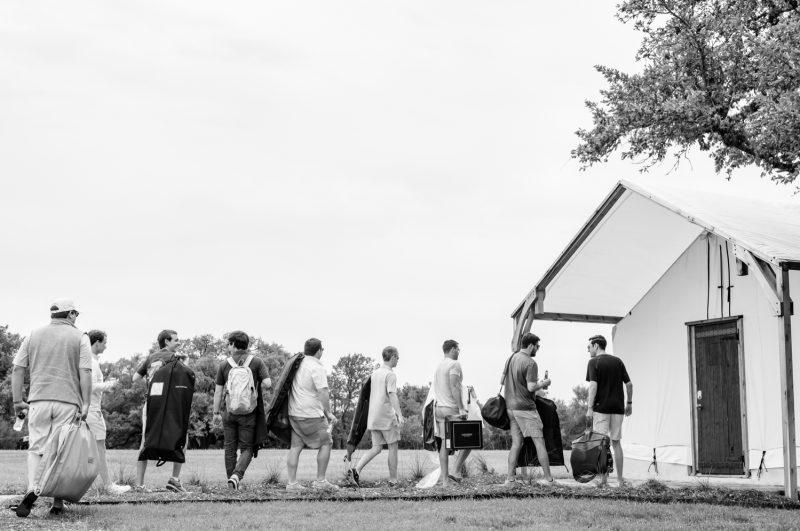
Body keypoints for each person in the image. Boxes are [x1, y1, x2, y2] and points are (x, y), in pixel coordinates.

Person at [10, 298, 93, 517]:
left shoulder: (33, 334)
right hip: (68, 401)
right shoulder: (80, 337)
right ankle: (57, 504)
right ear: (71, 315)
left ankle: (32, 488)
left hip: (39, 400)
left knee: (36, 448)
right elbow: (85, 371)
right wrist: (86, 403)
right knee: (61, 451)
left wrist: (18, 400)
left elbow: (18, 368)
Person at [212, 330, 272, 489]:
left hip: (229, 412)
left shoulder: (224, 364)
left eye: (228, 344)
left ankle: (231, 481)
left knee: (229, 447)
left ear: (232, 344)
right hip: (249, 412)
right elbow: (267, 384)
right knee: (247, 447)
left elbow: (218, 392)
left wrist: (216, 413)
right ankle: (236, 476)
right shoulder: (257, 362)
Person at [131, 329, 187, 493]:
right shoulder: (173, 358)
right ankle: (174, 480)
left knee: (145, 441)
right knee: (182, 439)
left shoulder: (151, 358)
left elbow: (135, 378)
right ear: (167, 342)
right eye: (176, 340)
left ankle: (140, 485)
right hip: (169, 406)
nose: (178, 342)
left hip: (150, 404)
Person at [285, 338, 339, 492]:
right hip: (311, 414)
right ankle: (320, 481)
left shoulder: (298, 364)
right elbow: (323, 391)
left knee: (295, 446)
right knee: (326, 443)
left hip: (294, 412)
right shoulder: (316, 367)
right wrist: (328, 412)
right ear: (319, 351)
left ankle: (292, 484)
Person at [348, 346, 404, 487]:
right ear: (392, 357)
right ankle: (393, 480)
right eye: (397, 357)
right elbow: (392, 394)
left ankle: (356, 470)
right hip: (386, 416)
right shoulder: (390, 375)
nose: (398, 360)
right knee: (393, 447)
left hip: (373, 417)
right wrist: (399, 414)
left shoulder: (375, 373)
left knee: (376, 448)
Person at [504, 332, 554, 485]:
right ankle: (549, 479)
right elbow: (531, 387)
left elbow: (502, 380)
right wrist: (544, 383)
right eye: (537, 346)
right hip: (525, 408)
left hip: (510, 407)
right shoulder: (530, 363)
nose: (537, 349)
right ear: (531, 345)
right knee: (540, 442)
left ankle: (510, 479)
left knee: (516, 443)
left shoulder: (510, 358)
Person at [585, 334, 633, 487]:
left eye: (589, 347)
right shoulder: (618, 361)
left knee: (601, 443)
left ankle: (603, 480)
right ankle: (620, 480)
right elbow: (629, 385)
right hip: (618, 408)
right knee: (616, 442)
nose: (588, 350)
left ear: (596, 346)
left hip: (601, 408)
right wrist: (629, 403)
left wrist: (590, 408)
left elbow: (593, 386)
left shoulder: (593, 362)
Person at [86, 330, 131, 495]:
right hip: (92, 411)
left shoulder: (90, 361)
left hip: (91, 410)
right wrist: (110, 384)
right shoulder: (91, 362)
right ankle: (108, 485)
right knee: (99, 448)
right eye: (104, 342)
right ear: (96, 343)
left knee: (94, 448)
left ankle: (87, 484)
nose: (106, 346)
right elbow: (90, 386)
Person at [432, 339, 471, 487]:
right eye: (458, 349)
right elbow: (454, 386)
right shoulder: (454, 364)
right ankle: (456, 470)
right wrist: (461, 408)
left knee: (444, 444)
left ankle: (445, 480)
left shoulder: (439, 366)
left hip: (439, 409)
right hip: (451, 409)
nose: (459, 352)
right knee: (471, 438)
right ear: (453, 349)